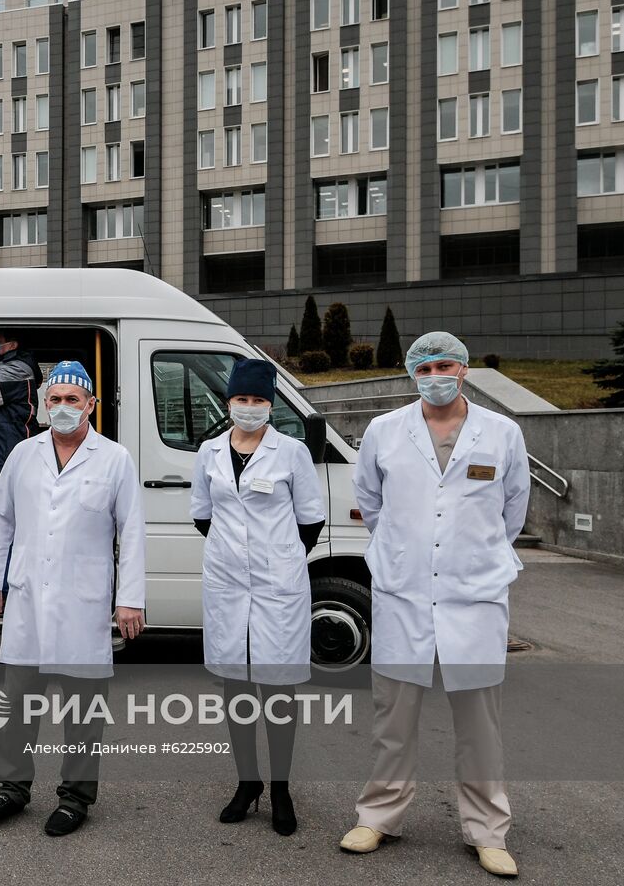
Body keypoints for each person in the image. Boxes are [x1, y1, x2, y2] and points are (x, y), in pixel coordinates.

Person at [340, 332, 530, 879]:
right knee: (393, 717)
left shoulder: (502, 433)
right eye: (424, 367)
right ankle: (378, 815)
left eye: (445, 365)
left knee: (479, 723)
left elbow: (512, 511)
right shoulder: (385, 431)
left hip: (475, 595)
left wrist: (472, 553)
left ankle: (487, 829)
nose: (435, 375)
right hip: (404, 592)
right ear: (410, 373)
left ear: (464, 369)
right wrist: (405, 550)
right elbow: (371, 501)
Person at [0, 360, 146, 838]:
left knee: (83, 710)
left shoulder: (114, 458)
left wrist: (130, 599)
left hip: (84, 605)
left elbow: (131, 532)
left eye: (74, 400)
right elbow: (1, 521)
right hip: (29, 598)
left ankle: (75, 797)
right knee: (18, 702)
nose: (64, 408)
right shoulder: (22, 455)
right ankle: (12, 788)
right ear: (43, 405)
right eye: (56, 400)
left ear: (91, 404)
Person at [189, 358, 326, 836]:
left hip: (277, 587)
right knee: (236, 687)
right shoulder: (208, 451)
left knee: (278, 688)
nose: (249, 408)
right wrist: (236, 556)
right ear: (228, 402)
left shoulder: (291, 453)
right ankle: (248, 784)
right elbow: (202, 515)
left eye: (259, 400)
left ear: (271, 404)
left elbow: (310, 520)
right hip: (228, 584)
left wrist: (279, 558)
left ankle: (282, 788)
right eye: (242, 400)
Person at [0, 331, 43, 536]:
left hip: (5, 460)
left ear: (13, 345)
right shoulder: (2, 366)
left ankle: (9, 568)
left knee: (3, 528)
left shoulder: (18, 370)